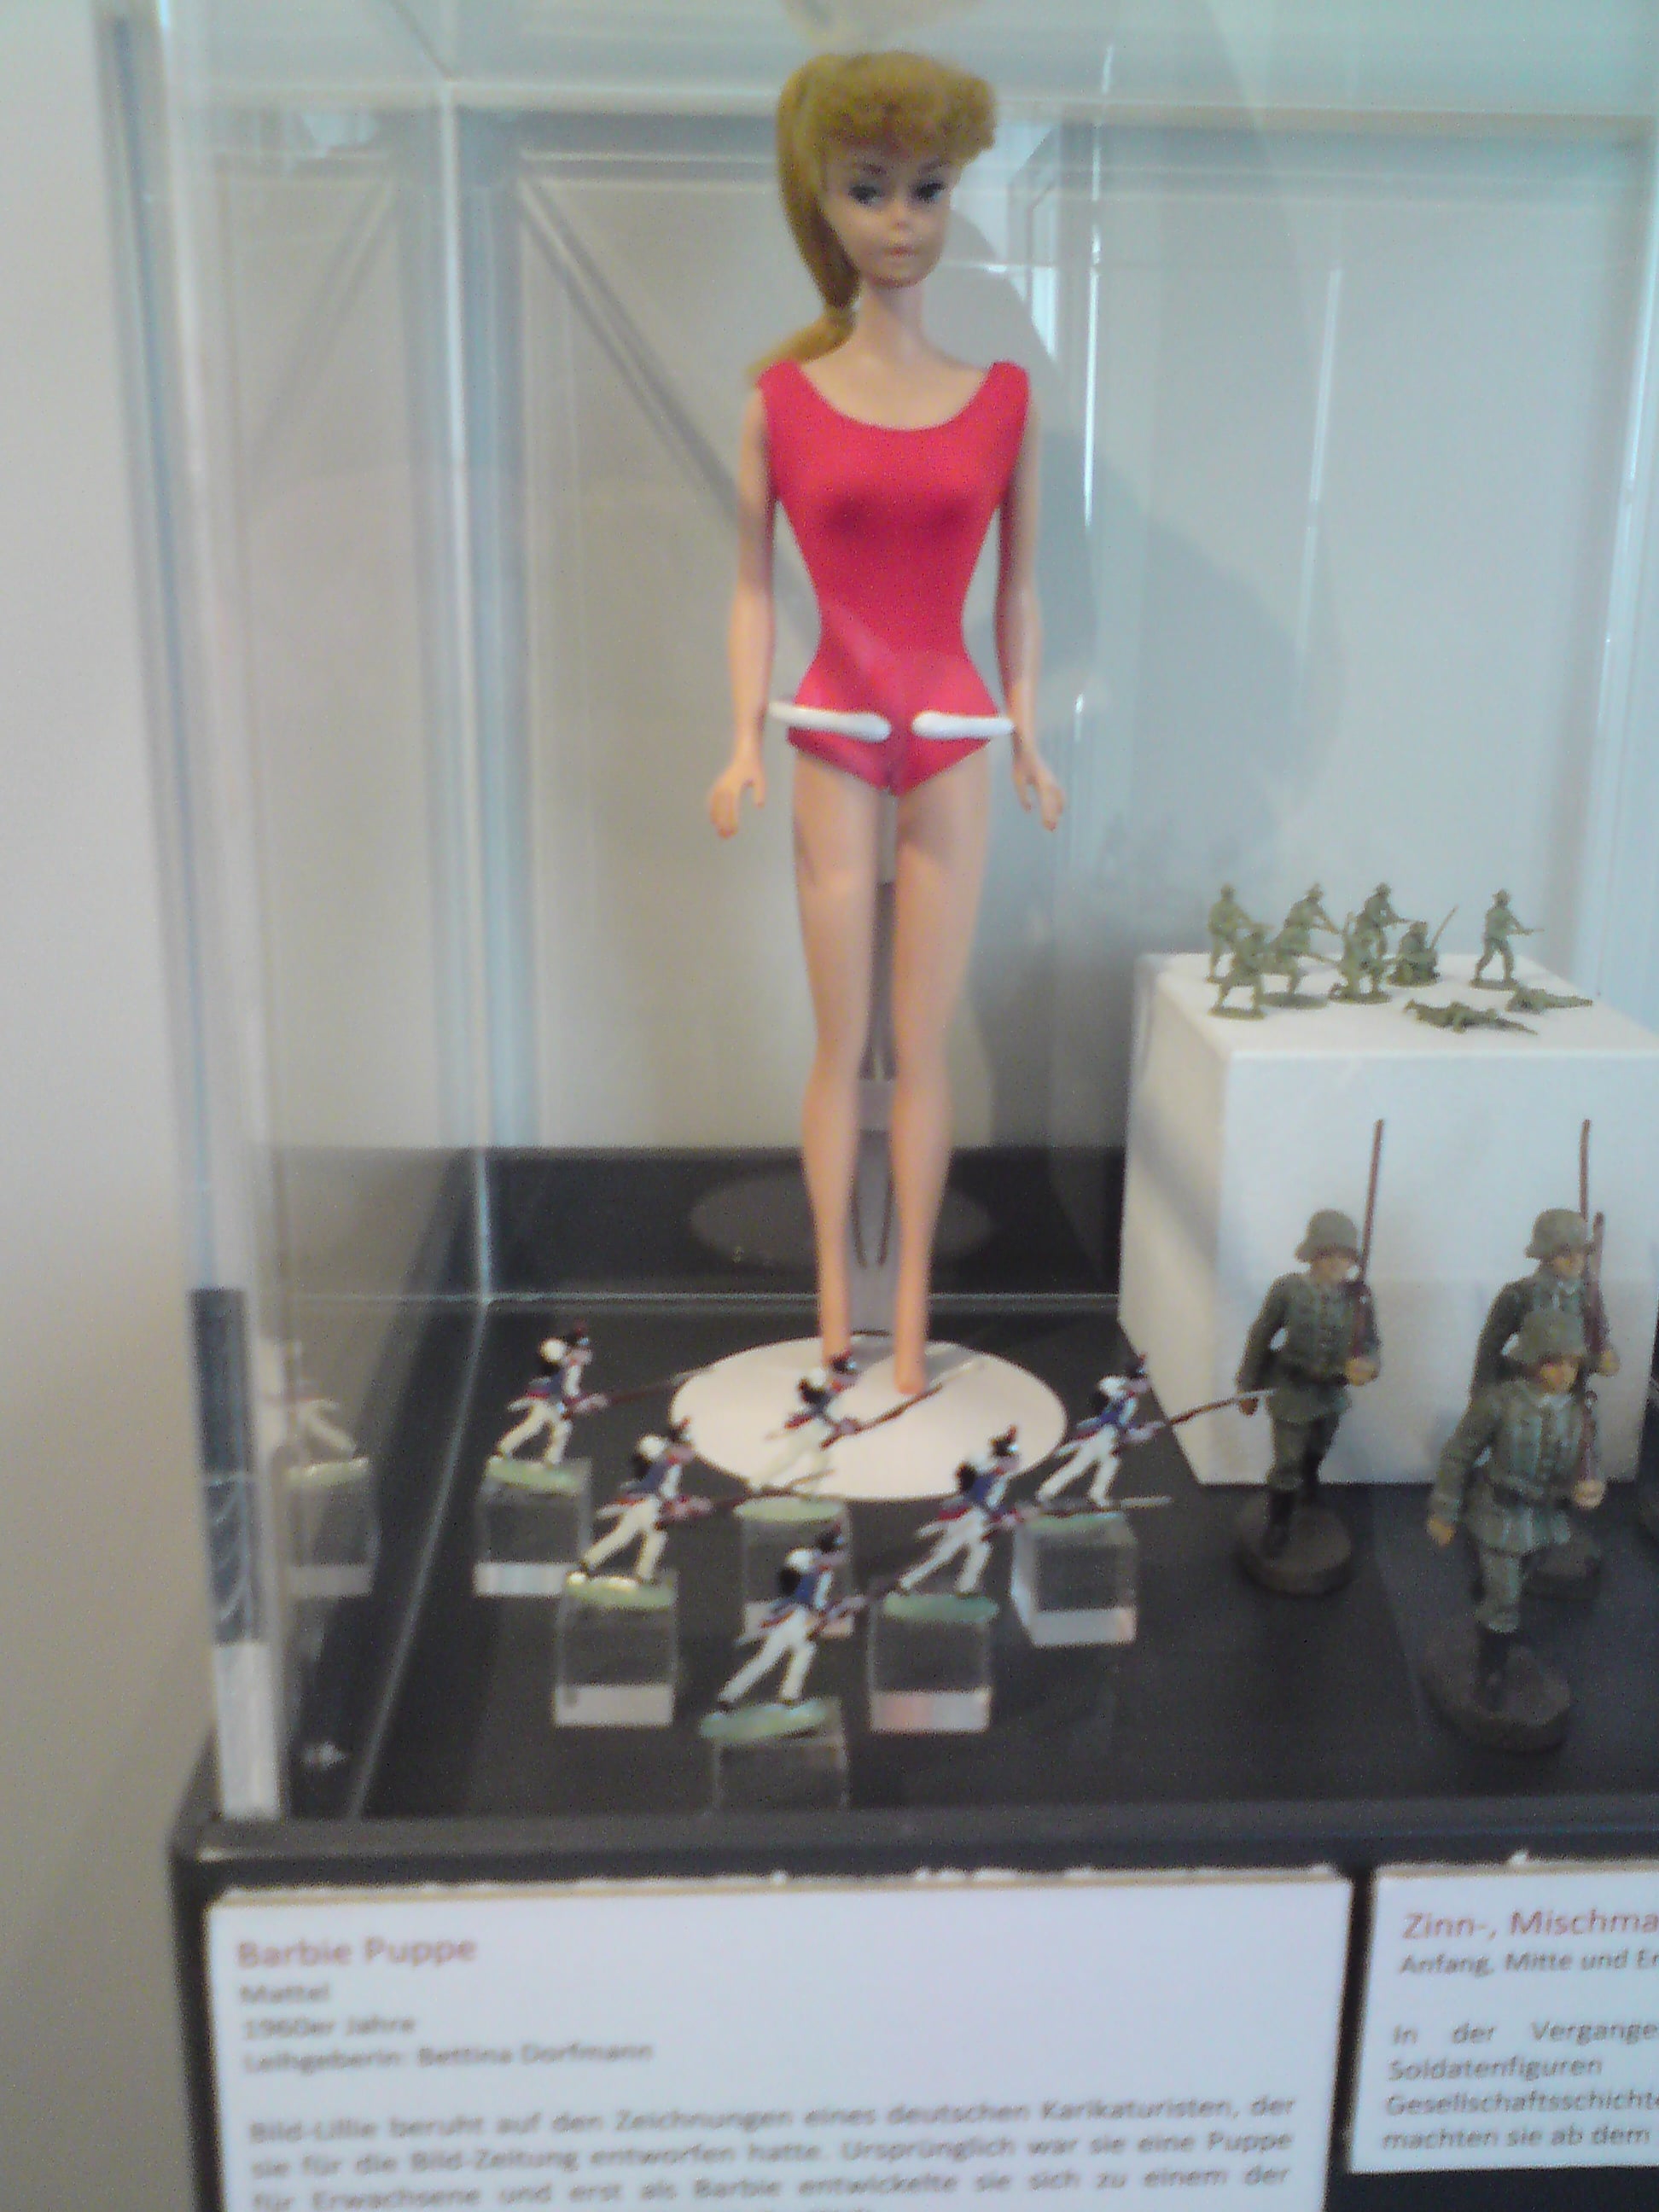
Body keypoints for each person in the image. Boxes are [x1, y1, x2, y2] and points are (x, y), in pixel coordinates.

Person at [707, 51, 1064, 1399]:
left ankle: (908, 1316)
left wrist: (1029, 736)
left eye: (928, 187)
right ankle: (829, 1309)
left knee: (921, 1048)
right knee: (836, 1041)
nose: (902, 219)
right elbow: (752, 585)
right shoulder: (780, 402)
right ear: (822, 200)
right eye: (869, 189)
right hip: (830, 728)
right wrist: (741, 740)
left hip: (957, 734)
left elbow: (1019, 589)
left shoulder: (1006, 400)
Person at [1428, 1310, 1602, 1711]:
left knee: (1519, 1580)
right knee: (1505, 1599)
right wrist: (1445, 1509)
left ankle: (1489, 1602)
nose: (1564, 1372)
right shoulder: (1500, 1403)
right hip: (1499, 1514)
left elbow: (1591, 1464)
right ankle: (1491, 1667)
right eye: (1554, 1362)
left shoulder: (1580, 1412)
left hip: (1545, 1518)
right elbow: (1458, 1454)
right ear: (1533, 1360)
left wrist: (1591, 1487)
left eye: (1572, 1363)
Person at [1237, 1211, 1380, 1558]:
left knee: (1319, 1445)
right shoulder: (1288, 1291)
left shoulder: (1359, 1298)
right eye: (1329, 1254)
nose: (1337, 1264)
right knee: (1287, 1460)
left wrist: (1368, 1366)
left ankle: (1309, 1481)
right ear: (1314, 1255)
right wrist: (1247, 1386)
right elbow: (1260, 1336)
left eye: (1345, 1256)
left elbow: (1371, 1345)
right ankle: (1279, 1521)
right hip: (1292, 1390)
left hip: (1331, 1393)